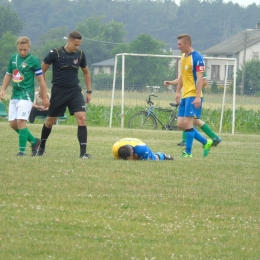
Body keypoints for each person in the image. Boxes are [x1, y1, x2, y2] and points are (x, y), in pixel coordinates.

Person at [36, 30, 92, 159]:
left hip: (74, 91)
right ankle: (42, 147)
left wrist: (89, 91)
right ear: (69, 41)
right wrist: (42, 88)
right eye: (75, 44)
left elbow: (86, 72)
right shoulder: (55, 53)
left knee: (82, 118)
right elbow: (41, 71)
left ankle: (83, 153)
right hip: (58, 91)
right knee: (50, 121)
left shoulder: (80, 54)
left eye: (79, 45)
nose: (77, 47)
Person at [0, 36, 49, 156]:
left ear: (29, 48)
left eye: (25, 50)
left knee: (21, 121)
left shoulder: (33, 60)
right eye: (20, 49)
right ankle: (34, 141)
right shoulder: (13, 58)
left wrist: (45, 97)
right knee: (13, 123)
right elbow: (8, 75)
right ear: (17, 47)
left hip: (26, 95)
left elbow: (41, 80)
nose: (22, 52)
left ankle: (22, 151)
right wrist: (2, 89)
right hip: (15, 95)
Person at [175, 34, 213, 158]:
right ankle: (206, 141)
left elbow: (200, 78)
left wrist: (197, 97)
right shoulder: (183, 56)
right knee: (181, 124)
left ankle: (188, 152)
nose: (178, 46)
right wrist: (177, 92)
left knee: (188, 122)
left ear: (187, 44)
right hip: (185, 95)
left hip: (193, 94)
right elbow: (182, 76)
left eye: (179, 44)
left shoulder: (197, 57)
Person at [164, 75, 222, 147]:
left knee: (188, 120)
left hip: (193, 97)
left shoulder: (197, 65)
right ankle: (214, 137)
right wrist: (170, 82)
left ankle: (186, 141)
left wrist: (194, 92)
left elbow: (204, 82)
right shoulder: (185, 65)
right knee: (191, 120)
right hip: (186, 97)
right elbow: (181, 79)